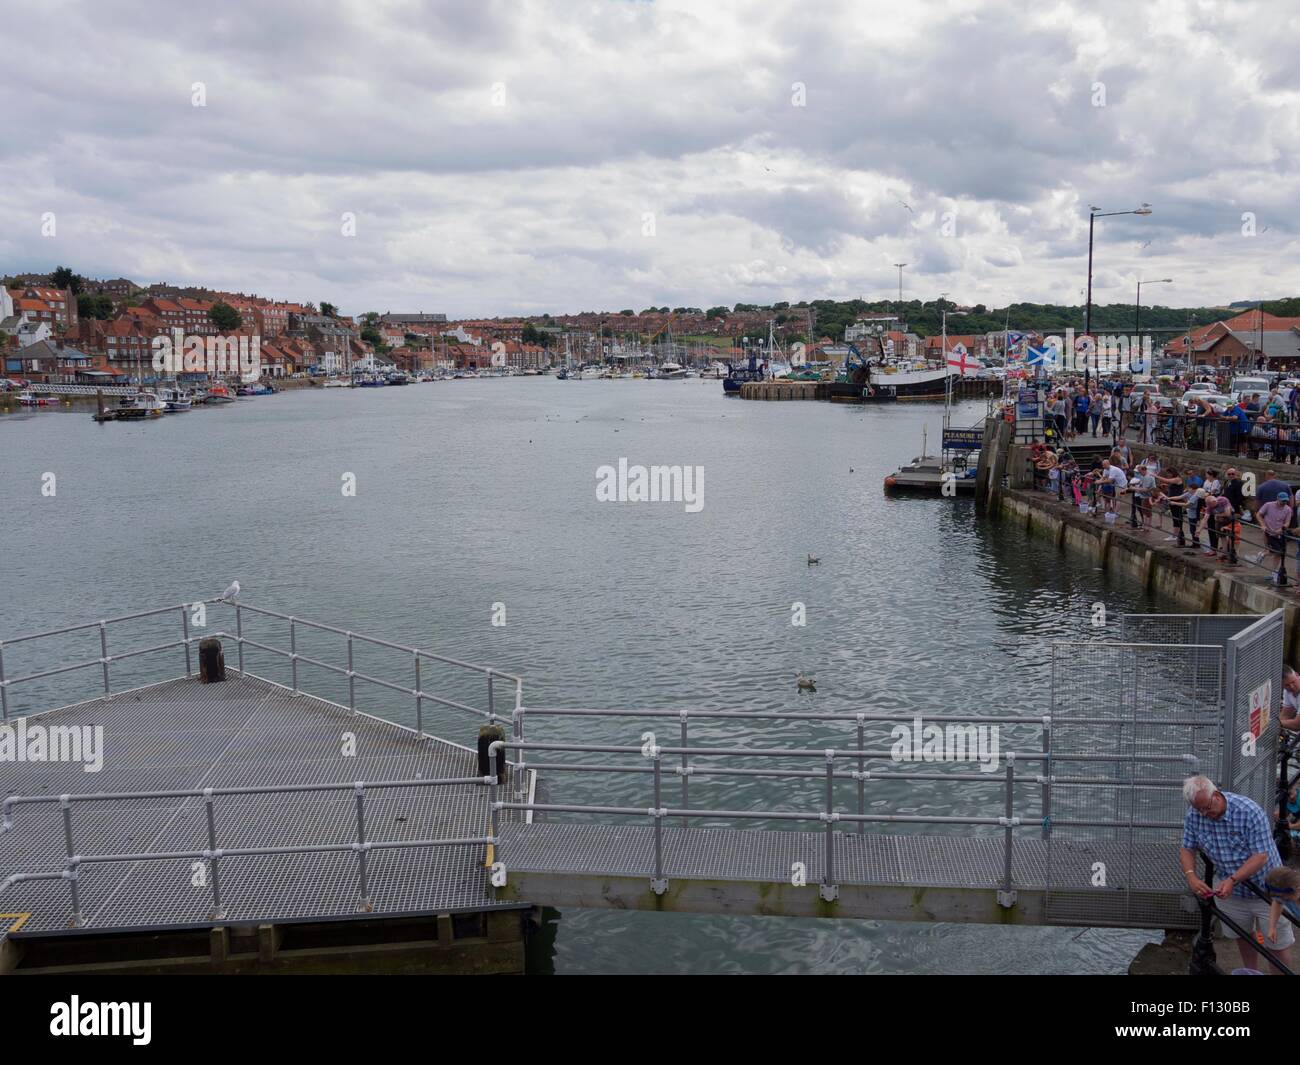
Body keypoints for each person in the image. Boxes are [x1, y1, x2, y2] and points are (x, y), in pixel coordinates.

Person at [1180, 775, 1292, 974]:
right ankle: (1251, 972)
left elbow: (1261, 856)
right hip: (1231, 891)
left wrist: (1233, 879)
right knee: (1243, 935)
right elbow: (1187, 847)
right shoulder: (1194, 814)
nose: (1204, 813)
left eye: (1207, 807)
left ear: (1216, 795)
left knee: (1277, 944)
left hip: (1267, 888)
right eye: (1199, 809)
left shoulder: (1249, 811)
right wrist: (1191, 876)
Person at [1258, 491, 1294, 585]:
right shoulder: (1268, 505)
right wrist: (1262, 525)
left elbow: (1287, 522)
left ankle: (1273, 571)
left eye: (1285, 501)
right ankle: (1264, 555)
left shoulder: (1288, 509)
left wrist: (1282, 528)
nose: (1284, 503)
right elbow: (1258, 514)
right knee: (1277, 551)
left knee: (1280, 553)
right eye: (1282, 501)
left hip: (1279, 533)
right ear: (1277, 499)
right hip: (1269, 532)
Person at [1264, 867, 1300, 948]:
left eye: (1286, 898)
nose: (1283, 900)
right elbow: (1277, 902)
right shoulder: (1285, 896)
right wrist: (1272, 927)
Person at [1278, 666, 1300, 732]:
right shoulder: (1287, 691)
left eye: (1293, 682)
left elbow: (1297, 724)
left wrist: (1276, 724)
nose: (1292, 687)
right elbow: (1286, 713)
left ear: (1297, 675)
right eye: (1287, 685)